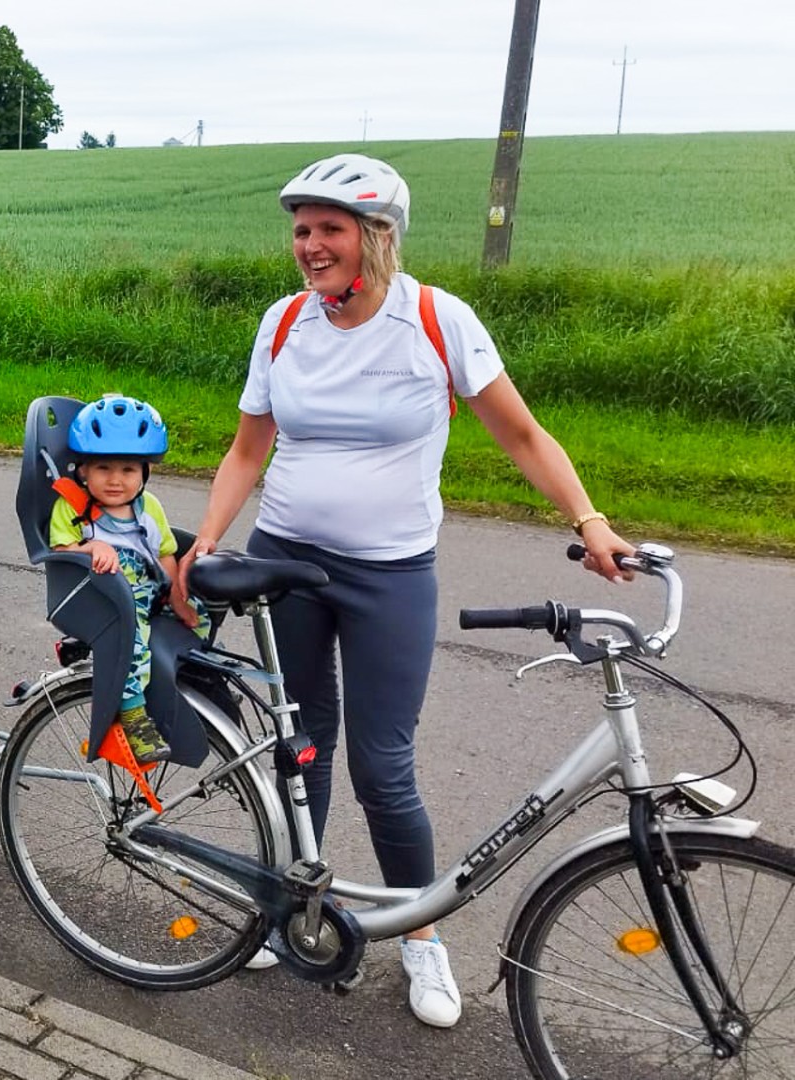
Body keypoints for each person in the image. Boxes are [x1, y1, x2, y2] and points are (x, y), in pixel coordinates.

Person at [175, 153, 636, 1028]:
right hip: (288, 561)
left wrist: (589, 520)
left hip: (391, 572)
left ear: (377, 237)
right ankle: (294, 910)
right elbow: (247, 450)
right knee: (299, 750)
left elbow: (523, 434)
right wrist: (206, 540)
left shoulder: (436, 320)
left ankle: (421, 936)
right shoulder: (283, 325)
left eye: (330, 230)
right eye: (302, 230)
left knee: (383, 768)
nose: (310, 246)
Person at [49, 394, 204, 766]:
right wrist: (90, 549)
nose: (116, 480)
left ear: (145, 472)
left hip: (148, 588)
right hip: (104, 598)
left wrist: (178, 598)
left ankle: (195, 677)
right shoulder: (71, 507)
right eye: (103, 468)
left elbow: (165, 554)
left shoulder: (149, 508)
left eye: (128, 470)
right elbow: (60, 550)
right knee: (133, 636)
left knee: (204, 604)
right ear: (83, 470)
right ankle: (133, 712)